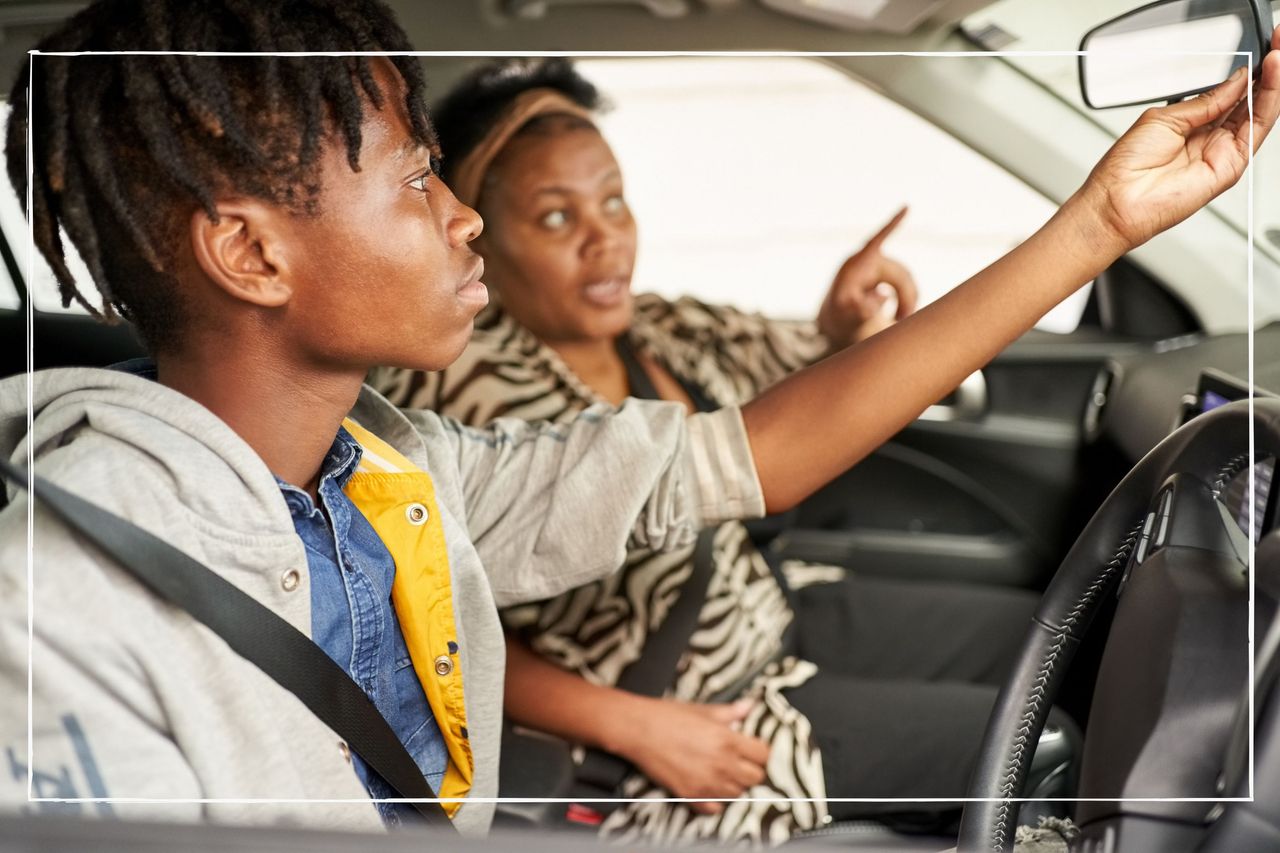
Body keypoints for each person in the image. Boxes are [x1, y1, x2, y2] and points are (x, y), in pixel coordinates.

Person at [1, 0, 1276, 841]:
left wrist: (1104, 224)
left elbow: (758, 450)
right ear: (249, 252)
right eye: (411, 177)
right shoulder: (55, 605)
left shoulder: (400, 479)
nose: (457, 218)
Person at [366, 58, 1051, 845]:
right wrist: (638, 726)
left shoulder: (656, 325)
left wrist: (838, 324)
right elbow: (432, 629)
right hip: (694, 711)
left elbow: (794, 366)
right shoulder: (456, 390)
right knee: (1041, 739)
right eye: (556, 218)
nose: (604, 239)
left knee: (1046, 632)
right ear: (480, 227)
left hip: (767, 616)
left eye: (613, 203)